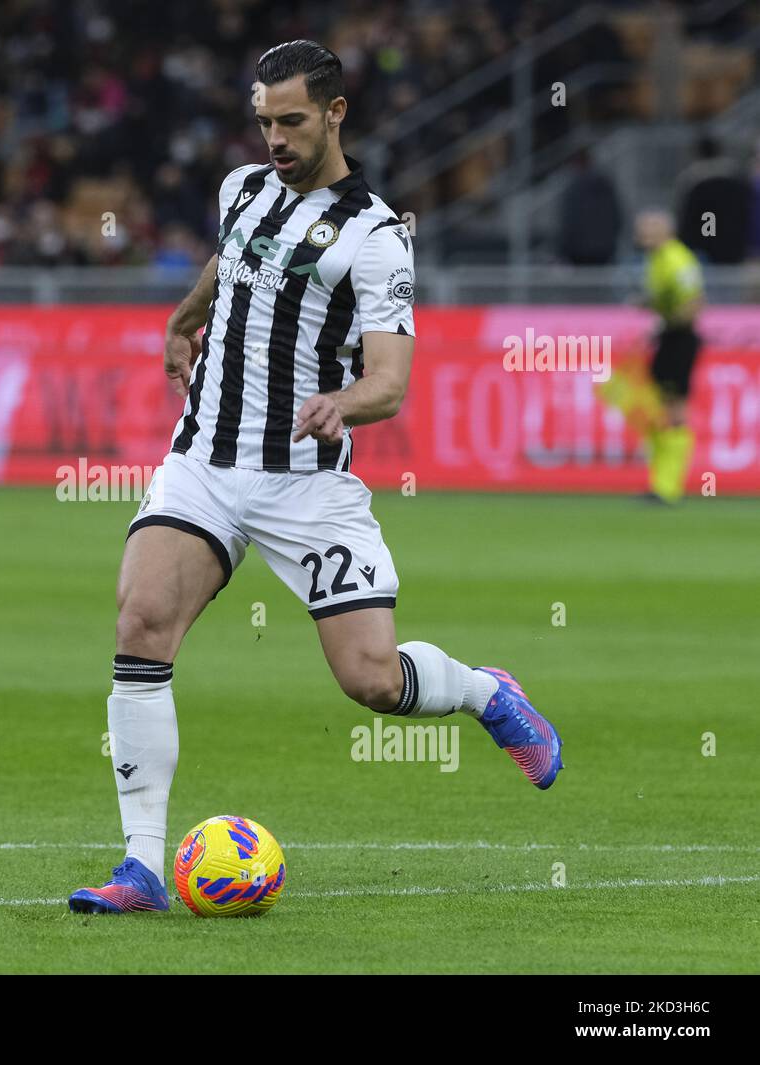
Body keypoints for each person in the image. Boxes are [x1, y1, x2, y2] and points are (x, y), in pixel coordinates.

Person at [68, 41, 564, 915]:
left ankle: (487, 692)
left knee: (371, 679)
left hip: (307, 484)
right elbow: (232, 262)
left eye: (291, 121)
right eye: (263, 121)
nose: (275, 139)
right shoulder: (242, 189)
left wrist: (346, 403)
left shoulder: (376, 236)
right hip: (204, 463)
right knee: (141, 620)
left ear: (336, 113)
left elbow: (391, 379)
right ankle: (142, 867)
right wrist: (184, 319)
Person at [602, 210, 703, 504]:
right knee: (659, 408)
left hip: (679, 339)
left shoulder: (677, 259)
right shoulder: (656, 260)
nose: (642, 236)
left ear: (665, 231)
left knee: (674, 409)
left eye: (648, 230)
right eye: (640, 230)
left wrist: (666, 321)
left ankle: (669, 487)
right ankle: (661, 483)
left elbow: (694, 303)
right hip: (669, 337)